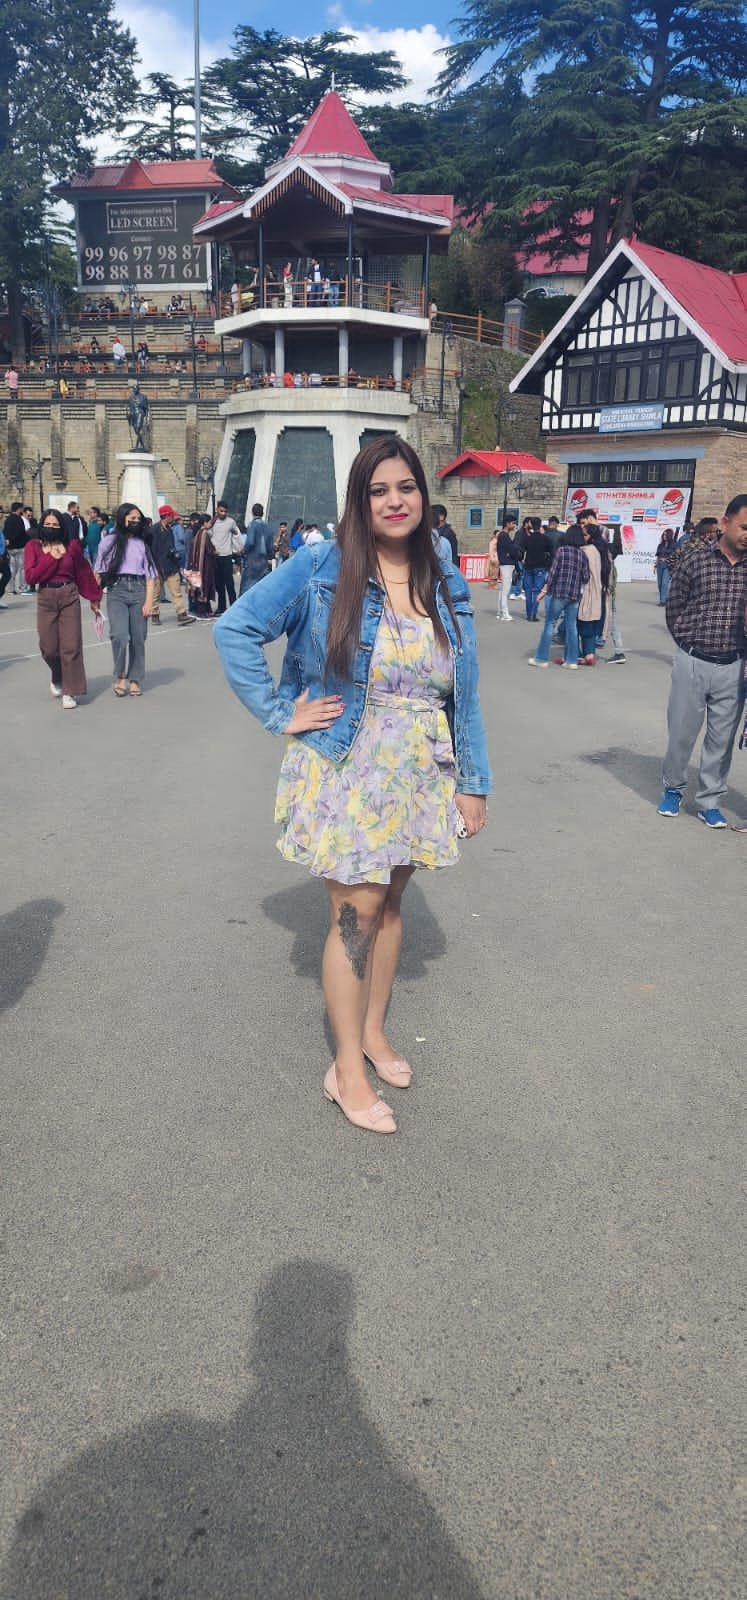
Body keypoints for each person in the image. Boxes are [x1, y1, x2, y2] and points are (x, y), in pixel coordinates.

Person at [214, 436, 491, 1136]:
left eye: (406, 487)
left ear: (422, 494)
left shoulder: (444, 576)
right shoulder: (322, 564)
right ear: (359, 502)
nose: (395, 501)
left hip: (419, 769)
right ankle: (344, 1069)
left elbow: (463, 695)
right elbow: (235, 629)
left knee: (391, 904)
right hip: (346, 764)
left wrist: (473, 782)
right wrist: (280, 713)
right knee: (357, 913)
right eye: (378, 491)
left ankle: (371, 1032)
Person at [657, 493, 747, 828]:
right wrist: (686, 643)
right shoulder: (696, 559)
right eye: (744, 527)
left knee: (721, 741)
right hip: (693, 661)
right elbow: (674, 606)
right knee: (681, 733)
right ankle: (673, 789)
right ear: (725, 522)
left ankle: (710, 801)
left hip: (734, 666)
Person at [24, 508, 102, 709]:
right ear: (41, 525)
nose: (51, 528)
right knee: (48, 648)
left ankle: (70, 690)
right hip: (46, 597)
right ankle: (57, 674)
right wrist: (52, 557)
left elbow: (83, 572)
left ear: (62, 527)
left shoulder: (72, 546)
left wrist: (94, 597)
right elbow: (31, 577)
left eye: (55, 525)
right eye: (47, 524)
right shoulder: (33, 546)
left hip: (69, 595)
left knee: (71, 645)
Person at [95, 502, 160, 696]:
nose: (135, 522)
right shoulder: (109, 541)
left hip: (139, 590)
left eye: (138, 519)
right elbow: (98, 571)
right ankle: (120, 675)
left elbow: (151, 577)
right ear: (122, 519)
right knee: (119, 635)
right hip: (117, 590)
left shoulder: (142, 544)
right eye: (132, 519)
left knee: (139, 637)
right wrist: (95, 598)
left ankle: (135, 678)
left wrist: (149, 603)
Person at [529, 529, 589, 669]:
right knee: (572, 626)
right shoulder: (582, 555)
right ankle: (571, 660)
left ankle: (541, 658)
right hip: (574, 595)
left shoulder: (561, 551)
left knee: (550, 624)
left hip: (560, 593)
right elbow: (586, 577)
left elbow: (553, 573)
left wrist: (544, 591)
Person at [148, 507, 196, 627]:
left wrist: (176, 561)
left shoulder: (169, 529)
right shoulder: (154, 530)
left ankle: (181, 614)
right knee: (155, 593)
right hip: (157, 566)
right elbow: (151, 550)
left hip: (171, 565)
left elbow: (171, 547)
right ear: (166, 516)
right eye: (171, 515)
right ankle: (154, 614)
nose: (173, 518)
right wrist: (155, 565)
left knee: (176, 591)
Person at [208, 501, 244, 612]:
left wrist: (236, 535)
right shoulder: (212, 522)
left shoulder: (231, 522)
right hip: (216, 557)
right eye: (221, 511)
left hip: (227, 556)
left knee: (229, 584)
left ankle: (234, 607)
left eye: (225, 511)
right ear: (217, 510)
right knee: (219, 584)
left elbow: (237, 535)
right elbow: (208, 535)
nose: (223, 513)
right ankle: (221, 607)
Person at [517, 516, 553, 621]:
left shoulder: (527, 538)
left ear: (531, 525)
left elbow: (520, 551)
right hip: (540, 567)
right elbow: (551, 553)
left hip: (528, 566)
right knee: (537, 591)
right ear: (540, 525)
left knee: (528, 591)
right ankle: (533, 614)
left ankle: (529, 614)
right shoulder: (545, 538)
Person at [185, 513, 216, 618]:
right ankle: (202, 611)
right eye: (210, 522)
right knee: (204, 586)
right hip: (204, 566)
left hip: (196, 565)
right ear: (205, 523)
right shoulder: (204, 534)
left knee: (199, 586)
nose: (211, 524)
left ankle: (207, 609)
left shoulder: (198, 533)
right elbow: (210, 549)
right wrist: (215, 552)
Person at [240, 503, 274, 594]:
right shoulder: (268, 527)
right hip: (264, 562)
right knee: (261, 589)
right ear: (262, 513)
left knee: (247, 588)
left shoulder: (252, 525)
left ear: (252, 512)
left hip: (252, 561)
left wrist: (243, 551)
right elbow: (270, 548)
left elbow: (250, 542)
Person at [495, 520, 518, 621]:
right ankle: (505, 613)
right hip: (507, 564)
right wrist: (515, 553)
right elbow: (512, 550)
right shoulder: (504, 536)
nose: (514, 525)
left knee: (503, 590)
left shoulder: (503, 535)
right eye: (513, 523)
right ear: (507, 524)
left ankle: (500, 612)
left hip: (505, 563)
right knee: (505, 590)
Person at [3, 501, 29, 594]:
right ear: (19, 509)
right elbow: (21, 533)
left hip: (10, 547)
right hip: (20, 547)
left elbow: (5, 532)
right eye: (22, 508)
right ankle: (22, 587)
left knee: (12, 568)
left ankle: (10, 589)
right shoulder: (19, 519)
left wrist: (8, 540)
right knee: (22, 568)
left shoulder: (8, 519)